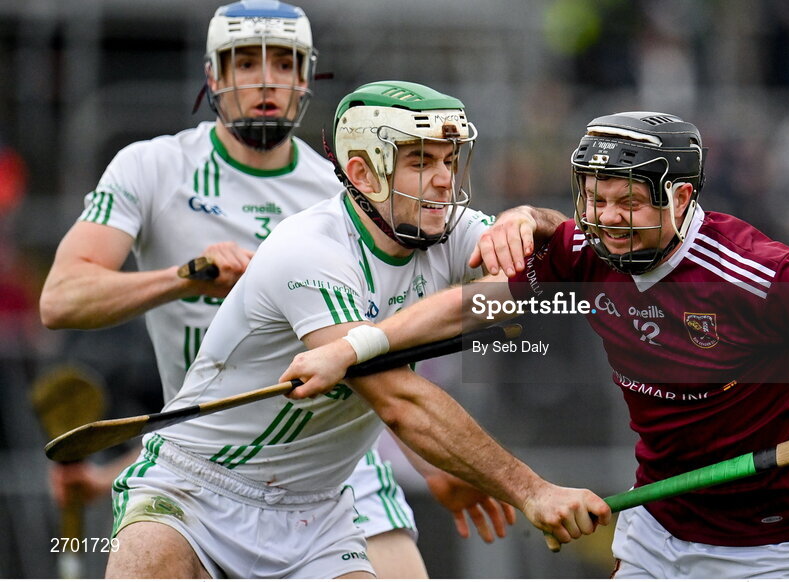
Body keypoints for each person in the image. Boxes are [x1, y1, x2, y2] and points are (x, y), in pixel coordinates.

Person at [280, 111, 789, 578]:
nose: (607, 218)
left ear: (679, 197)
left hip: (770, 545)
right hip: (656, 523)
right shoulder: (590, 250)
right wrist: (358, 346)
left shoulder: (758, 275)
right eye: (594, 199)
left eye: (626, 201)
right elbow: (473, 309)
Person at [38, 0, 525, 578]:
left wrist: (440, 464)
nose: (267, 80)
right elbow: (61, 299)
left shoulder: (352, 192)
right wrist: (181, 279)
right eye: (246, 63)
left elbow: (396, 344)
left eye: (287, 64)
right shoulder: (153, 169)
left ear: (307, 79)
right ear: (214, 77)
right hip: (208, 450)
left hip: (337, 460)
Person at [98, 80, 610, 578]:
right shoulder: (310, 251)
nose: (442, 180)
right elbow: (399, 401)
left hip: (317, 512)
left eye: (449, 161)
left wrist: (528, 219)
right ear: (364, 174)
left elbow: (568, 259)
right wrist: (531, 490)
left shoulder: (447, 230)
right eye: (420, 161)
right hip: (197, 492)